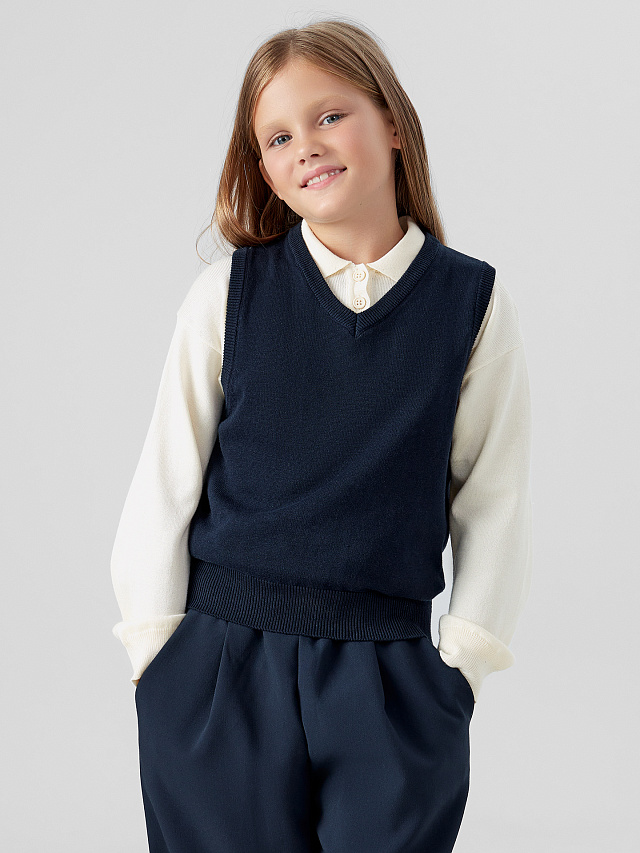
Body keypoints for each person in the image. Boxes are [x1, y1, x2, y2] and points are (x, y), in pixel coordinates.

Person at [110, 17, 533, 853]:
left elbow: (495, 498)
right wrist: (160, 662)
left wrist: (459, 672)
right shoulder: (229, 296)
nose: (305, 145)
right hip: (222, 673)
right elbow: (164, 485)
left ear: (394, 125)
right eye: (277, 137)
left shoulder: (471, 305)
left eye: (330, 116)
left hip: (392, 681)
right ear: (263, 166)